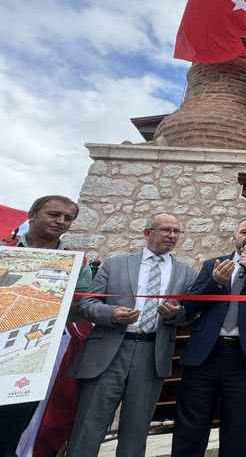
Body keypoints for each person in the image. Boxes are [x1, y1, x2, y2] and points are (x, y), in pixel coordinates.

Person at [67, 213, 196, 456]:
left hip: (152, 354)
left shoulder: (186, 273)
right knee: (89, 426)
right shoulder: (116, 264)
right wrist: (112, 313)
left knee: (136, 432)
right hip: (108, 353)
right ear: (148, 233)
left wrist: (173, 315)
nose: (172, 236)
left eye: (176, 231)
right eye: (166, 230)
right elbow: (86, 304)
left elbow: (188, 315)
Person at [171, 217, 246, 456]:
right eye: (245, 232)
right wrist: (215, 282)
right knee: (191, 426)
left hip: (244, 358)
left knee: (237, 429)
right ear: (234, 237)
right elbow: (190, 304)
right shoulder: (214, 264)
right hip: (205, 355)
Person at [0, 195, 93, 457]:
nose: (61, 221)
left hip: (30, 356)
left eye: (68, 218)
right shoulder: (3, 247)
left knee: (10, 428)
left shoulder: (78, 264)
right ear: (32, 214)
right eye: (54, 214)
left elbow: (81, 309)